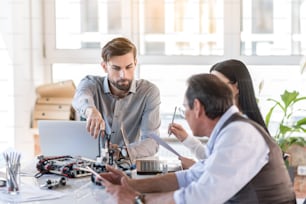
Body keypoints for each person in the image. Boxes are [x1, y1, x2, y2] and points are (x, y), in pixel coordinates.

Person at [98, 73, 296, 204]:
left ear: (198, 107)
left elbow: (202, 196)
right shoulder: (229, 131)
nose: (185, 114)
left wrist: (137, 199)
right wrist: (130, 183)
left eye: (185, 108)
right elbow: (190, 177)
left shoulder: (239, 134)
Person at [169, 59, 269, 168]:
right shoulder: (225, 120)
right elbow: (216, 159)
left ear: (237, 87)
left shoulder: (240, 128)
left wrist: (195, 167)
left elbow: (225, 171)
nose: (211, 90)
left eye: (218, 84)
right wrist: (186, 139)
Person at [72, 37, 161, 159]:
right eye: (116, 68)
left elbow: (152, 142)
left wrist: (122, 152)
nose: (123, 75)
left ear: (135, 63)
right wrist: (90, 110)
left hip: (127, 163)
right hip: (90, 163)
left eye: (128, 67)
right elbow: (80, 97)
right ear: (104, 66)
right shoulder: (90, 83)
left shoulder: (148, 92)